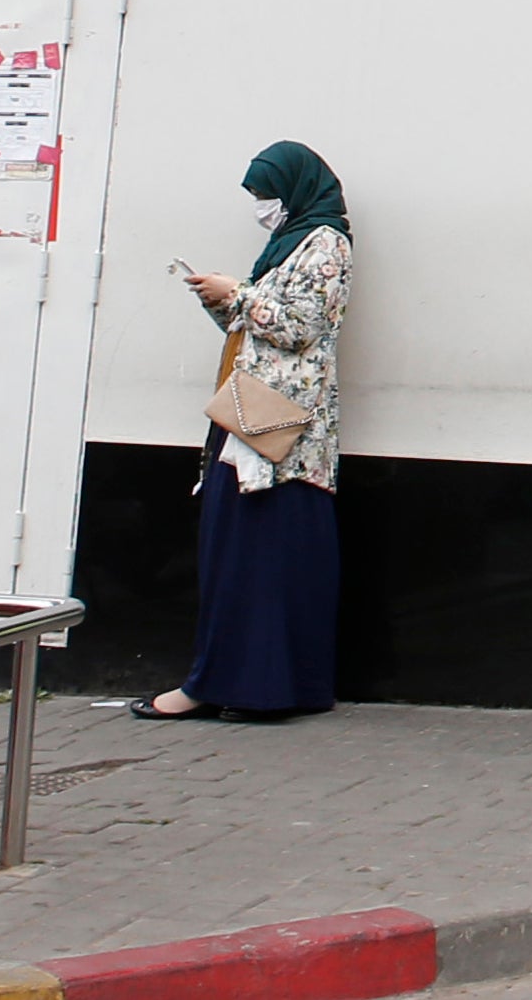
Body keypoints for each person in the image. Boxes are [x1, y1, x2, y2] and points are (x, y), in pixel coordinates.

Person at [135, 141, 354, 721]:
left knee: (258, 557)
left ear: (297, 190)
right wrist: (220, 299)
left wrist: (237, 293)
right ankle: (240, 683)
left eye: (267, 195)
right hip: (252, 415)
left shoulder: (326, 243)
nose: (262, 206)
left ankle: (253, 686)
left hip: (278, 427)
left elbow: (303, 324)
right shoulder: (288, 244)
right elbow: (260, 322)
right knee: (240, 555)